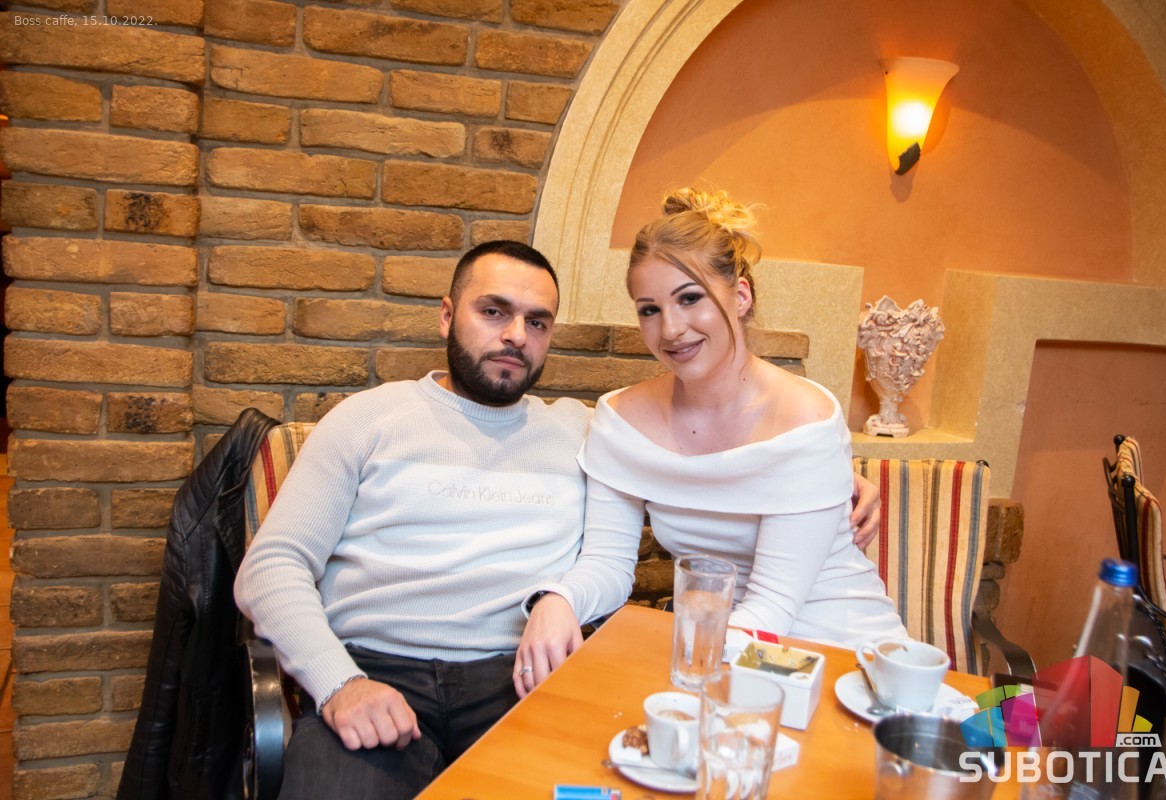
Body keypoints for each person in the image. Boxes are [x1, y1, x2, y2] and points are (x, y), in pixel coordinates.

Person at [235, 239, 882, 799]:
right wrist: (339, 685)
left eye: (537, 321)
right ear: (447, 315)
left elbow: (702, 462)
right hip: (376, 673)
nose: (517, 334)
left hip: (519, 677)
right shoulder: (367, 419)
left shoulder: (585, 430)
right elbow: (270, 568)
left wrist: (830, 476)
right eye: (494, 312)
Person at [515, 189, 907, 697]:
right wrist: (558, 599)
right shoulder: (622, 420)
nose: (671, 329)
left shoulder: (805, 419)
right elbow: (608, 565)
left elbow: (772, 605)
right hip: (725, 652)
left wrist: (690, 671)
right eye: (649, 309)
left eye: (690, 298)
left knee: (987, 728)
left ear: (740, 296)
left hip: (841, 655)